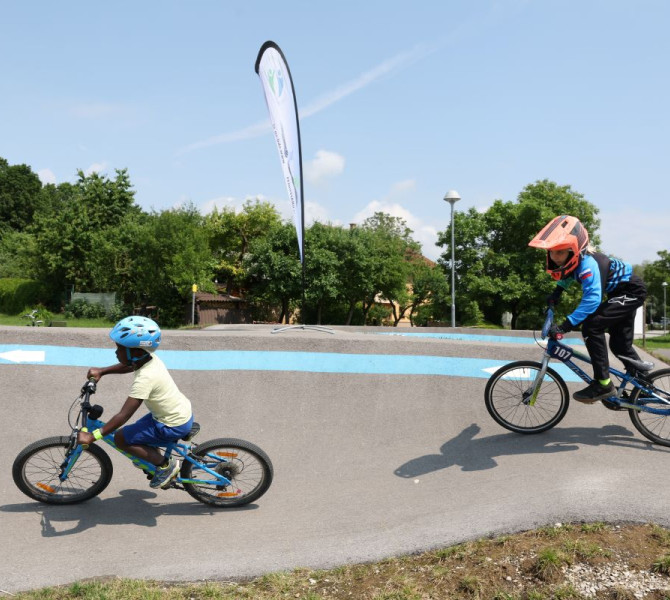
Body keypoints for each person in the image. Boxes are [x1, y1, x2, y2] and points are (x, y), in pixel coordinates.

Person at [529, 215, 648, 403]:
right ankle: (645, 387)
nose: (554, 257)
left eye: (559, 252)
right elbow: (569, 274)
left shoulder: (589, 265)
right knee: (619, 346)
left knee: (592, 326)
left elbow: (592, 301)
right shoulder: (578, 261)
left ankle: (603, 383)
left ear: (573, 250)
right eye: (552, 252)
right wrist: (558, 291)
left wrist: (566, 325)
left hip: (631, 292)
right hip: (620, 294)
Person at [77, 316, 193, 488]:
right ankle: (151, 459)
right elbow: (130, 365)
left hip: (171, 424)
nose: (116, 352)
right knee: (135, 432)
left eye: (120, 348)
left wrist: (93, 436)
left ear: (137, 352)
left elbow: (123, 415)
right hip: (176, 413)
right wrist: (102, 371)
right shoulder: (148, 359)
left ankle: (165, 466)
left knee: (121, 438)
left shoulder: (146, 378)